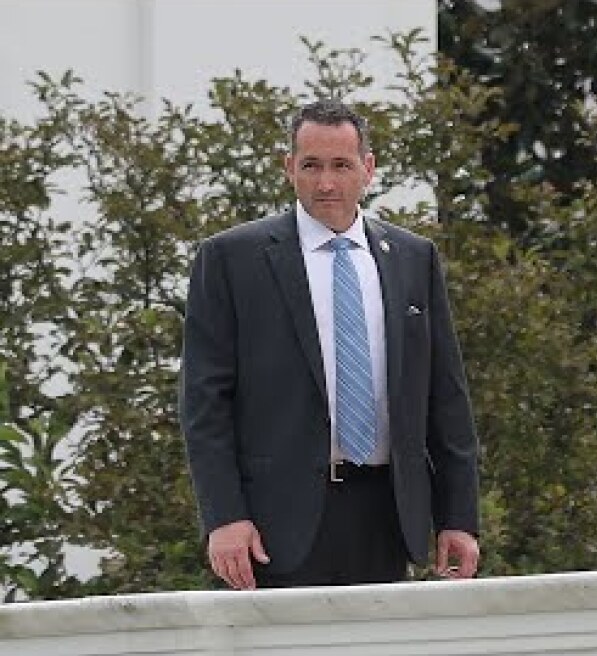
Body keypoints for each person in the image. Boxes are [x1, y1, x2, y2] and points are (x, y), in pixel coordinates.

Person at [180, 99, 480, 588]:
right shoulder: (232, 259)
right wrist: (223, 516)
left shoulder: (412, 258)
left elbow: (445, 398)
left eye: (341, 166)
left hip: (388, 516)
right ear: (288, 169)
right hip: (272, 524)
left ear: (368, 169)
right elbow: (204, 403)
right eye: (311, 166)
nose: (326, 183)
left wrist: (459, 517)